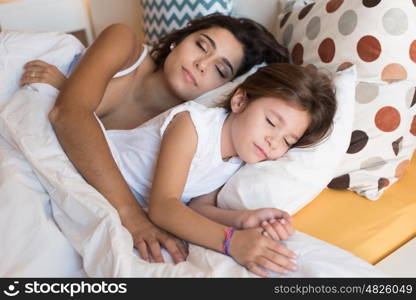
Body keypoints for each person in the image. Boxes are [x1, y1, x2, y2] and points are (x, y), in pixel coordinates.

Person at [20, 14, 289, 265]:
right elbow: (68, 114)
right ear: (178, 39)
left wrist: (241, 220)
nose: (202, 64)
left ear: (227, 89)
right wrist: (132, 215)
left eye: (220, 70)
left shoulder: (190, 130)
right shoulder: (123, 41)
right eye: (200, 46)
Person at [99, 63, 337, 277]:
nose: (274, 142)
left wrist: (245, 219)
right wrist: (231, 242)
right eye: (272, 123)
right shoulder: (192, 125)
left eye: (287, 141)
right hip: (99, 176)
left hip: (126, 201)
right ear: (240, 101)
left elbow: (198, 207)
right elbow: (163, 206)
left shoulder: (239, 159)